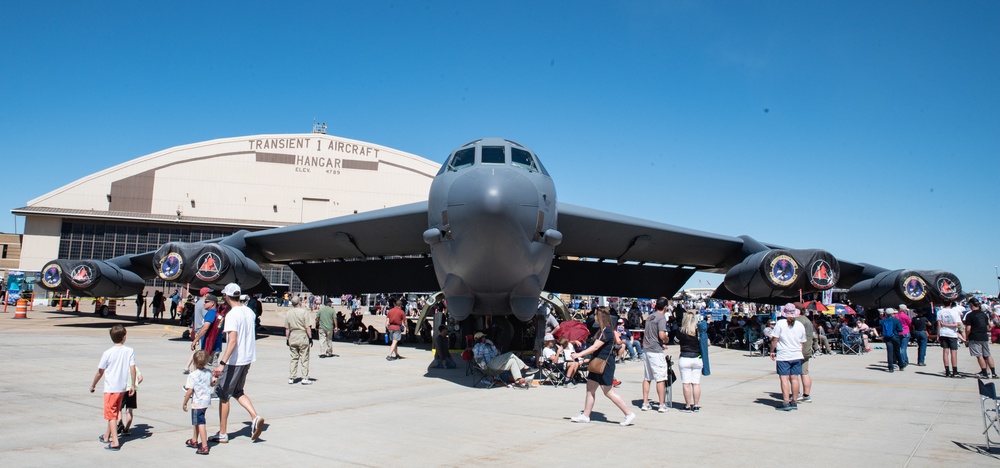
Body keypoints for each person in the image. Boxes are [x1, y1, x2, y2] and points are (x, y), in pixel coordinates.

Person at [210, 283, 265, 443]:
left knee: (223, 395)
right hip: (247, 359)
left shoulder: (232, 315)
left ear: (226, 296)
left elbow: (232, 341)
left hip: (235, 361)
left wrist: (222, 363)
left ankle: (222, 433)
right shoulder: (249, 311)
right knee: (238, 391)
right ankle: (255, 417)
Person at [569, 307, 636, 426]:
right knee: (590, 389)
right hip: (597, 363)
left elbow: (595, 347)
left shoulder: (606, 331)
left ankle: (628, 414)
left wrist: (578, 354)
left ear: (600, 316)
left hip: (605, 364)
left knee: (608, 392)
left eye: (595, 315)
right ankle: (585, 415)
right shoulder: (602, 330)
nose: (593, 317)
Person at [89, 324, 136, 450]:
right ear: (124, 337)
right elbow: (132, 369)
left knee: (111, 416)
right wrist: (132, 385)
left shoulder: (107, 353)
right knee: (114, 413)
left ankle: (115, 442)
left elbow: (100, 371)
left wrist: (93, 384)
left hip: (110, 388)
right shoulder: (129, 351)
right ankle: (106, 436)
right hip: (122, 388)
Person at [770, 303, 806, 411]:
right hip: (797, 354)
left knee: (784, 379)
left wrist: (772, 351)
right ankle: (794, 401)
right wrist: (801, 353)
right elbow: (802, 342)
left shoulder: (780, 323)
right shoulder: (800, 325)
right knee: (794, 378)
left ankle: (786, 402)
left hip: (784, 355)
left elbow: (775, 339)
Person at [640, 297, 670, 413]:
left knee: (647, 377)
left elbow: (651, 334)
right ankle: (662, 405)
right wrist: (666, 339)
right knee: (660, 378)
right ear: (665, 307)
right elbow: (661, 334)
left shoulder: (650, 317)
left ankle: (645, 402)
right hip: (655, 351)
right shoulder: (661, 318)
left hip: (647, 349)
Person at [182, 350, 213, 455]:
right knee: (197, 421)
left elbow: (189, 390)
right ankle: (194, 440)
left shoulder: (192, 375)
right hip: (206, 401)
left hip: (197, 402)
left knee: (200, 423)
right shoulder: (208, 372)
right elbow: (211, 383)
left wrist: (185, 402)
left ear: (194, 362)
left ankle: (204, 446)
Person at [964, 298, 997, 379]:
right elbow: (988, 326)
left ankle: (984, 372)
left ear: (971, 305)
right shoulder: (984, 314)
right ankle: (993, 373)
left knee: (979, 355)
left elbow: (968, 328)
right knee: (987, 354)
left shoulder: (970, 315)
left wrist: (966, 337)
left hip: (975, 336)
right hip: (984, 336)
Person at [677, 312, 704, 412]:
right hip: (697, 357)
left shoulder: (681, 331)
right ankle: (696, 405)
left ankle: (688, 405)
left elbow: (676, 341)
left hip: (685, 357)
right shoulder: (699, 331)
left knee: (686, 383)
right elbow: (707, 342)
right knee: (696, 383)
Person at [284, 296, 314, 384]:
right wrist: (310, 338)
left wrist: (287, 338)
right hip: (302, 335)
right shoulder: (304, 312)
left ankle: (291, 377)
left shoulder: (289, 313)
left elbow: (287, 328)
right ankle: (305, 377)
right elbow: (307, 327)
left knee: (294, 358)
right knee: (304, 357)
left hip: (293, 335)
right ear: (299, 303)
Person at [191, 294, 223, 369]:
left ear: (212, 303)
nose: (204, 303)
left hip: (211, 347)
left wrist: (196, 340)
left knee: (210, 369)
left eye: (206, 302)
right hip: (215, 346)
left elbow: (205, 327)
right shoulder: (217, 313)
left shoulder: (211, 313)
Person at [937, 299, 966, 378]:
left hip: (943, 333)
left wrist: (938, 335)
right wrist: (947, 325)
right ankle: (955, 371)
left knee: (945, 352)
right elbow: (956, 325)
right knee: (953, 352)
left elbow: (939, 324)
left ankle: (947, 371)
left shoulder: (940, 312)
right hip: (952, 333)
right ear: (950, 303)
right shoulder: (954, 312)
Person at [793, 308, 816, 402]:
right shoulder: (808, 320)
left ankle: (797, 394)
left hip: (798, 350)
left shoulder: (797, 321)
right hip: (807, 350)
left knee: (794, 374)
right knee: (805, 372)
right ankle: (807, 395)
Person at [117, 365, 143, 437]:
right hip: (132, 390)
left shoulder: (122, 367)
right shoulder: (135, 368)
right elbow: (140, 378)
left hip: (123, 390)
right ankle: (126, 429)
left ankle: (120, 423)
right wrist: (134, 385)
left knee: (119, 408)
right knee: (129, 410)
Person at [880, 308, 904, 372]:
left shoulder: (883, 321)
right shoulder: (896, 320)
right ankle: (901, 365)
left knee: (889, 352)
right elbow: (900, 329)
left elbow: (881, 330)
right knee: (897, 352)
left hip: (887, 338)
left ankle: (890, 367)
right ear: (891, 314)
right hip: (895, 337)